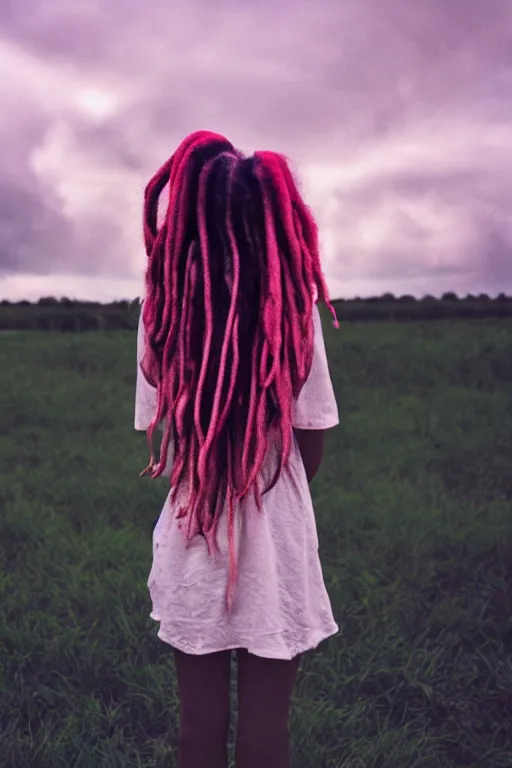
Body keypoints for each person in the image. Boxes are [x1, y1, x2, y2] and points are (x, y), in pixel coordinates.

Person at [134, 130, 340, 768]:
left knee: (196, 727)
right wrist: (272, 487)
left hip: (194, 536)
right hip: (276, 541)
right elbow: (313, 433)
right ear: (275, 220)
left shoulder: (162, 310)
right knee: (266, 731)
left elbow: (161, 431)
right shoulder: (295, 306)